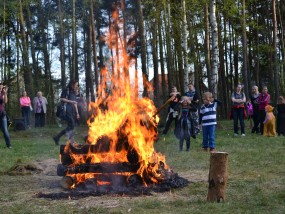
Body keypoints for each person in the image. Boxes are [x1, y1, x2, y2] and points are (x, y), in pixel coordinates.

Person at [53, 80, 80, 145]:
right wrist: (71, 102)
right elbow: (62, 99)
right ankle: (71, 141)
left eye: (77, 85)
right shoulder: (66, 90)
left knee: (71, 126)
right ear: (72, 84)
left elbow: (75, 103)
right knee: (72, 125)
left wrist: (77, 113)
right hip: (67, 110)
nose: (77, 86)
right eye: (76, 84)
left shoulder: (74, 92)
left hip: (72, 111)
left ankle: (57, 137)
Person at [0, 83, 12, 149]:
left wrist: (5, 93)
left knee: (5, 130)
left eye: (1, 85)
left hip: (2, 114)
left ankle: (9, 145)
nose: (1, 86)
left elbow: (5, 101)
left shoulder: (3, 93)